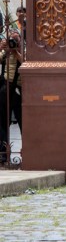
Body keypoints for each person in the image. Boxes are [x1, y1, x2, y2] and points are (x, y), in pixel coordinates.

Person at [0, 30, 24, 164]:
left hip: (19, 90)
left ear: (20, 40)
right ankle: (3, 152)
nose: (13, 42)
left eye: (16, 39)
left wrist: (16, 51)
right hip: (5, 88)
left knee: (23, 122)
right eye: (11, 39)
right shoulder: (6, 51)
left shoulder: (24, 50)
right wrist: (3, 48)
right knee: (3, 122)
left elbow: (26, 63)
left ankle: (26, 152)